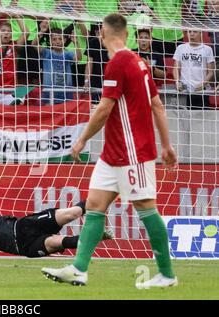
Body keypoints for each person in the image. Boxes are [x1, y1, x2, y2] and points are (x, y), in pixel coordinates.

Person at [42, 13, 178, 288]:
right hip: (113, 153)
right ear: (126, 34)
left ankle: (167, 275)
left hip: (132, 152)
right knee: (94, 206)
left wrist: (80, 140)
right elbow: (158, 105)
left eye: (99, 33)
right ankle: (79, 269)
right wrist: (166, 144)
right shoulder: (140, 62)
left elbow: (104, 108)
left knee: (145, 207)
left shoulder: (118, 63)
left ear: (102, 35)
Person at [32, 26, 82, 104]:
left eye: (60, 39)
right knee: (49, 113)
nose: (57, 42)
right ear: (50, 42)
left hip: (65, 92)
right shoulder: (47, 53)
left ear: (64, 40)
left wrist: (76, 43)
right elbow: (34, 44)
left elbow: (79, 58)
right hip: (49, 92)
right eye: (54, 39)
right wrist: (41, 32)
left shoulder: (68, 54)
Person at [173, 29, 215, 110]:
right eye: (189, 32)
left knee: (201, 119)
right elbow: (175, 68)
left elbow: (211, 72)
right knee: (184, 119)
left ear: (200, 33)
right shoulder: (180, 48)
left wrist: (203, 83)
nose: (191, 34)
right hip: (185, 91)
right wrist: (177, 81)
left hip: (201, 91)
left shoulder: (207, 49)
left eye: (195, 32)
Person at [84, 23, 109, 103]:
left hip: (109, 78)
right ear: (95, 33)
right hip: (95, 79)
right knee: (95, 104)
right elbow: (89, 62)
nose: (101, 36)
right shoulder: (92, 42)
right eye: (99, 33)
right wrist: (86, 81)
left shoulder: (112, 43)